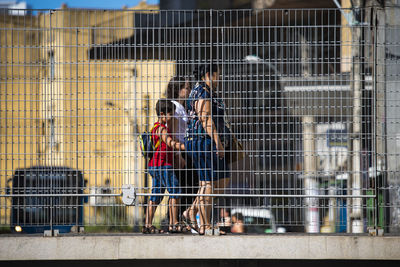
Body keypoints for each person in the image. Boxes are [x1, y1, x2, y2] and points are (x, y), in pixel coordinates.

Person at [183, 63, 231, 235]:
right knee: (207, 183)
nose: (220, 78)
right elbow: (206, 120)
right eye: (218, 74)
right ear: (210, 74)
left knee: (220, 180)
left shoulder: (207, 91)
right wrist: (218, 142)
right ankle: (204, 225)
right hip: (202, 140)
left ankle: (192, 211)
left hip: (205, 140)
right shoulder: (202, 91)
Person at [142, 99, 186, 234]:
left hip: (154, 166)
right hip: (164, 166)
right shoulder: (162, 129)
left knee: (155, 195)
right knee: (175, 192)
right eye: (170, 114)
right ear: (162, 114)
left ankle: (148, 225)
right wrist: (185, 147)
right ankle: (174, 223)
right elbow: (169, 142)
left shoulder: (154, 127)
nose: (172, 117)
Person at [165, 76, 199, 225]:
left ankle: (179, 219)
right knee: (180, 187)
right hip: (179, 151)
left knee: (187, 185)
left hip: (185, 149)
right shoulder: (174, 106)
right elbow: (171, 132)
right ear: (177, 89)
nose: (189, 90)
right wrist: (178, 155)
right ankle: (172, 220)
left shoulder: (182, 107)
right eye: (186, 87)